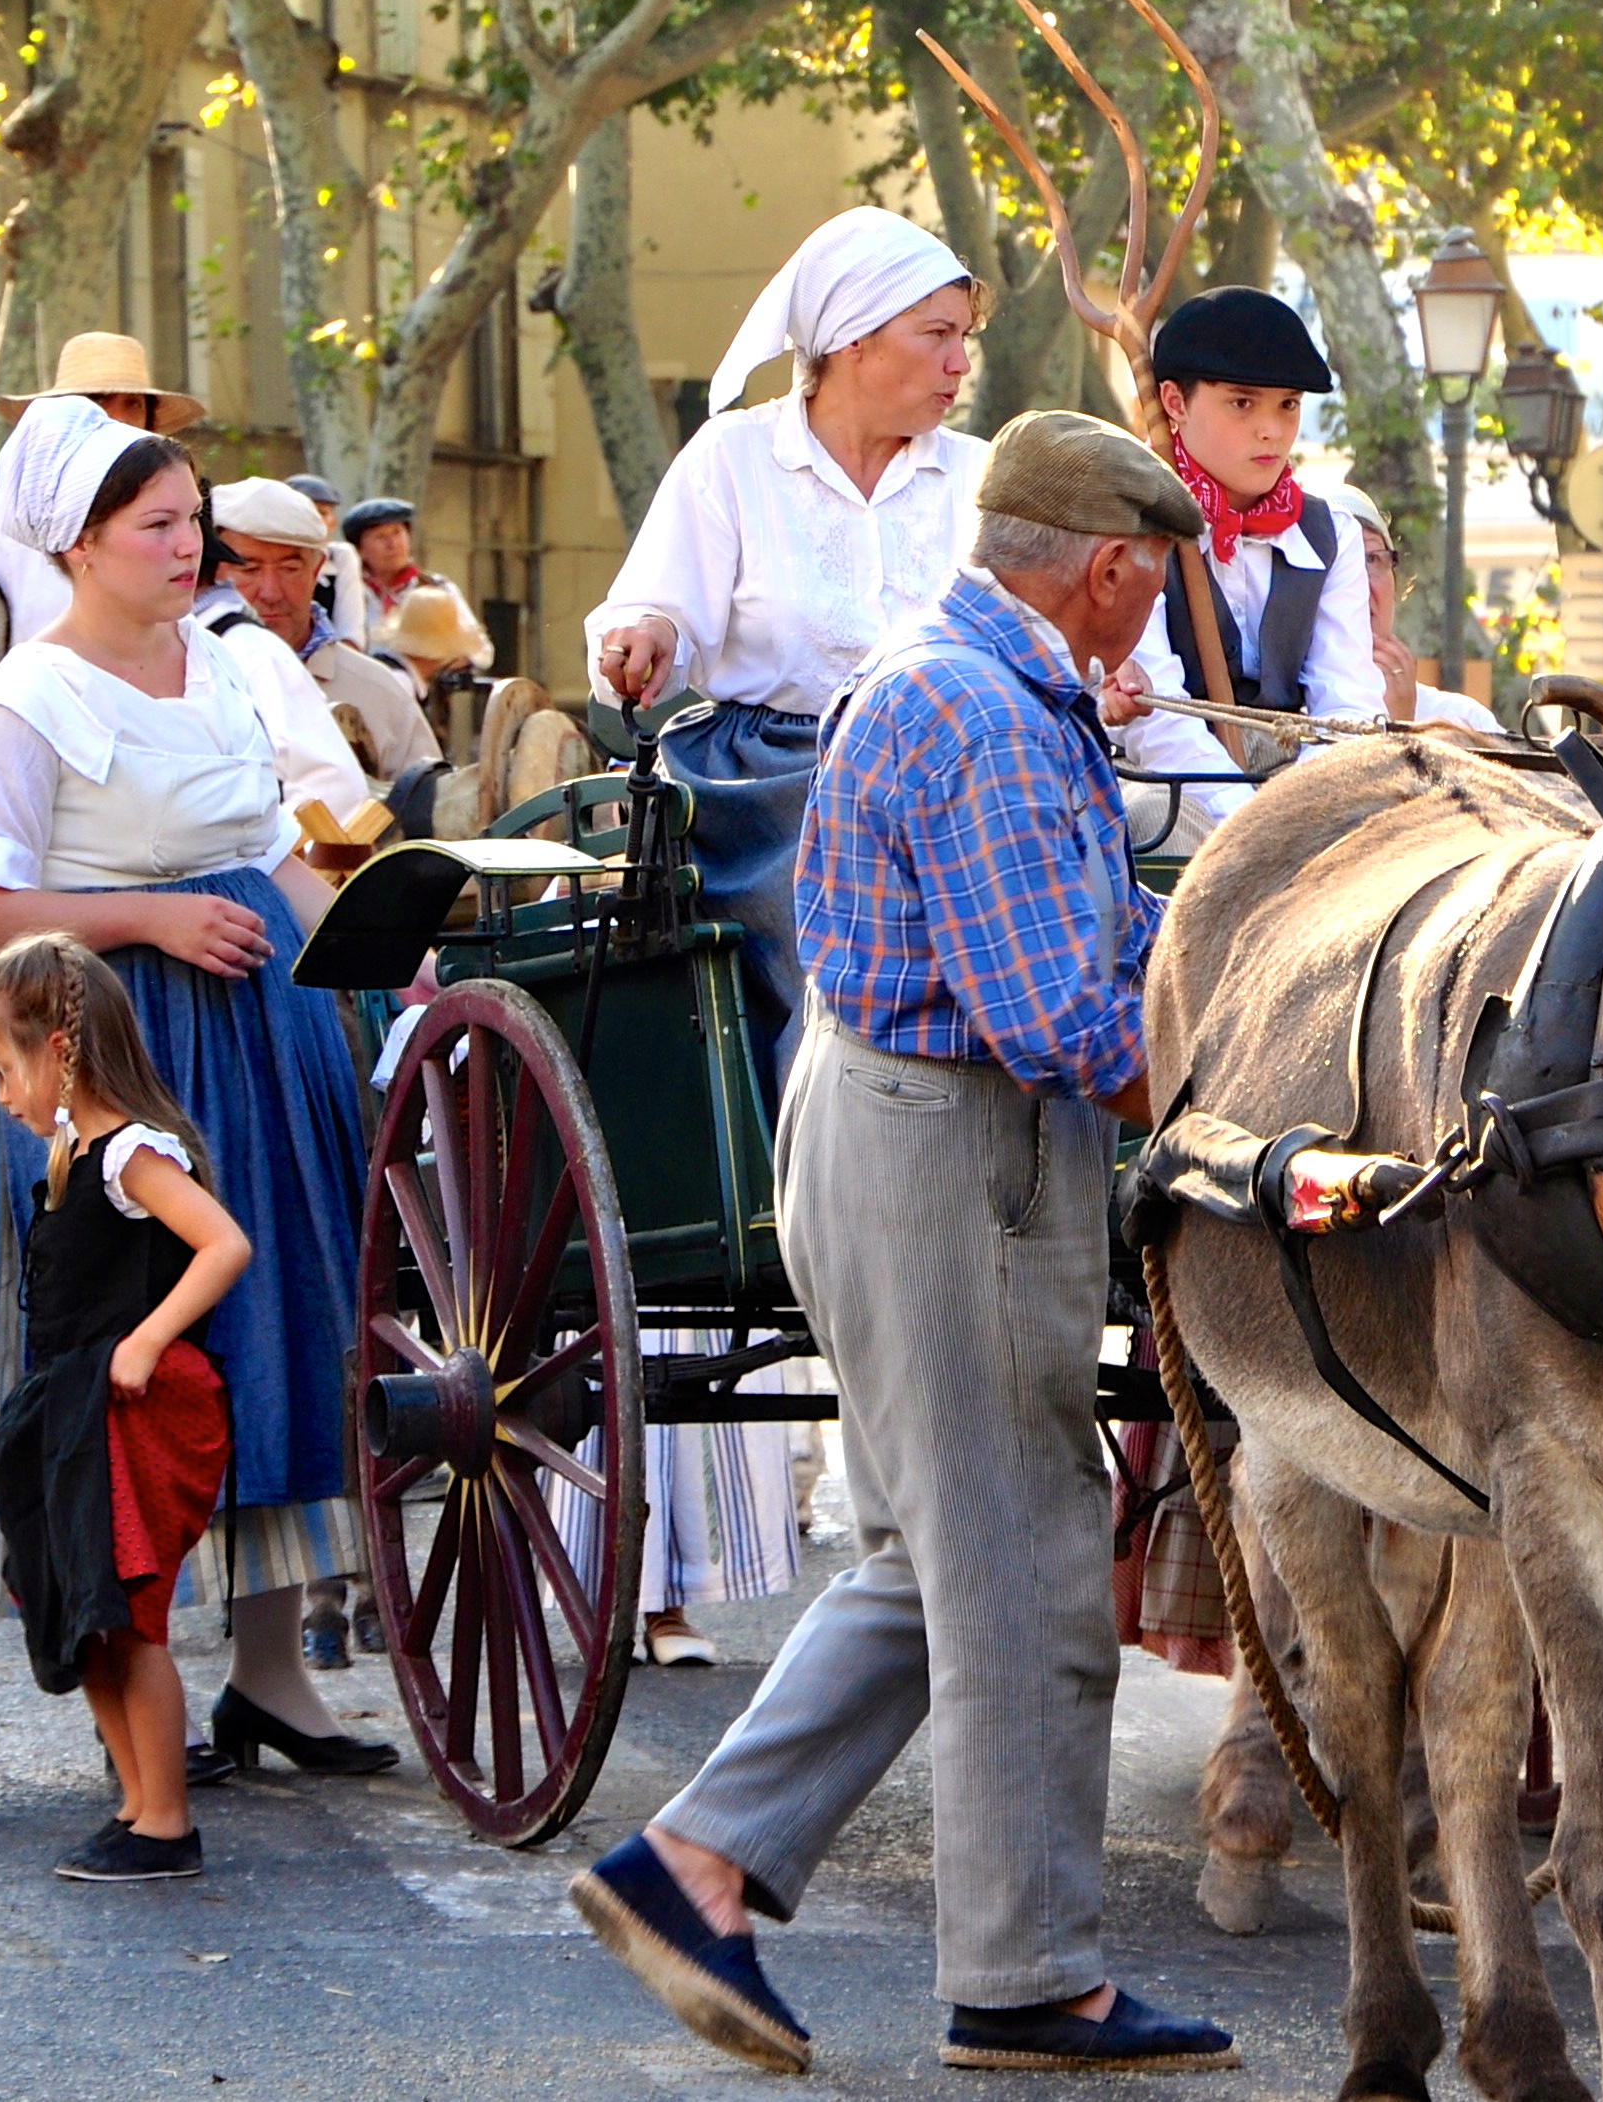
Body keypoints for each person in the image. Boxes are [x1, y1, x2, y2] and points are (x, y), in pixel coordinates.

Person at [570, 412, 1236, 2078]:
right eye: (1148, 578)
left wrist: (1236, 924)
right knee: (1020, 1562)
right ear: (1108, 567)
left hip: (898, 1125)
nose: (1147, 610)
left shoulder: (974, 679)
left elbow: (1092, 919)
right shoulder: (980, 713)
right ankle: (1022, 1972)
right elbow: (1060, 1017)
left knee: (926, 1559)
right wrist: (1246, 1072)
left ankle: (697, 1859)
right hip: (955, 1143)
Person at [0, 395, 398, 1785]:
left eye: (196, 521)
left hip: (260, 1028)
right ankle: (147, 1693)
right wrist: (149, 921)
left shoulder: (231, 664)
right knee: (141, 1351)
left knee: (274, 1328)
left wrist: (375, 956)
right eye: (161, 525)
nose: (195, 549)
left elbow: (272, 848)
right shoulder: (30, 699)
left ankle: (271, 1674)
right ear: (77, 541)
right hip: (112, 1051)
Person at [585, 205, 989, 1661]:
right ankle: (854, 1165)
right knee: (841, 876)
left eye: (964, 340)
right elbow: (649, 609)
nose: (958, 366)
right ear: (849, 344)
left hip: (957, 763)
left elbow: (1049, 625)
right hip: (777, 773)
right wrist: (634, 641)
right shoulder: (734, 462)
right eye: (935, 339)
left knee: (1108, 859)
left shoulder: (982, 479)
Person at [0, 935, 249, 1885]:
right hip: (77, 1409)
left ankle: (166, 1822)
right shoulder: (67, 1154)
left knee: (129, 1613)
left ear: (60, 1051)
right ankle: (134, 1801)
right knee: (82, 1606)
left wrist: (148, 1339)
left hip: (136, 1407)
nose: (2, 1097)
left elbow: (223, 1246)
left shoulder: (130, 1155)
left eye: (5, 1072)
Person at [1114, 285, 1379, 832]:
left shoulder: (1332, 534)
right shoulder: (1127, 524)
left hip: (1301, 781)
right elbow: (1156, 721)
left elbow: (1347, 709)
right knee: (1160, 833)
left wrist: (1299, 819)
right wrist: (1247, 825)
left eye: (1288, 406)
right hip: (1166, 783)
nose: (1272, 430)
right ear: (1174, 403)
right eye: (1242, 403)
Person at [0, 332, 205, 646]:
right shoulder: (0, 511)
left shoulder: (206, 656)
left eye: (132, 404)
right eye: (95, 403)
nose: (116, 419)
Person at [209, 477, 433, 792]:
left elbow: (430, 818)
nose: (270, 592)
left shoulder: (377, 691)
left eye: (290, 569)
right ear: (210, 573)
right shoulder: (174, 680)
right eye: (248, 569)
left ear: (317, 571)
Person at [1331, 483, 1505, 733]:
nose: (1358, 583)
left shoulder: (1463, 723)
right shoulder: (1272, 722)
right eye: (1336, 561)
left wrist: (1404, 725)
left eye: (1372, 559)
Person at [341, 497, 485, 660]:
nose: (393, 544)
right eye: (380, 537)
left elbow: (480, 651)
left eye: (397, 532)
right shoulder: (346, 591)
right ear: (360, 550)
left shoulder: (436, 589)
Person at [284, 474, 372, 646]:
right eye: (307, 511)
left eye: (322, 513)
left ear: (333, 523)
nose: (315, 521)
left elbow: (350, 632)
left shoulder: (341, 559)